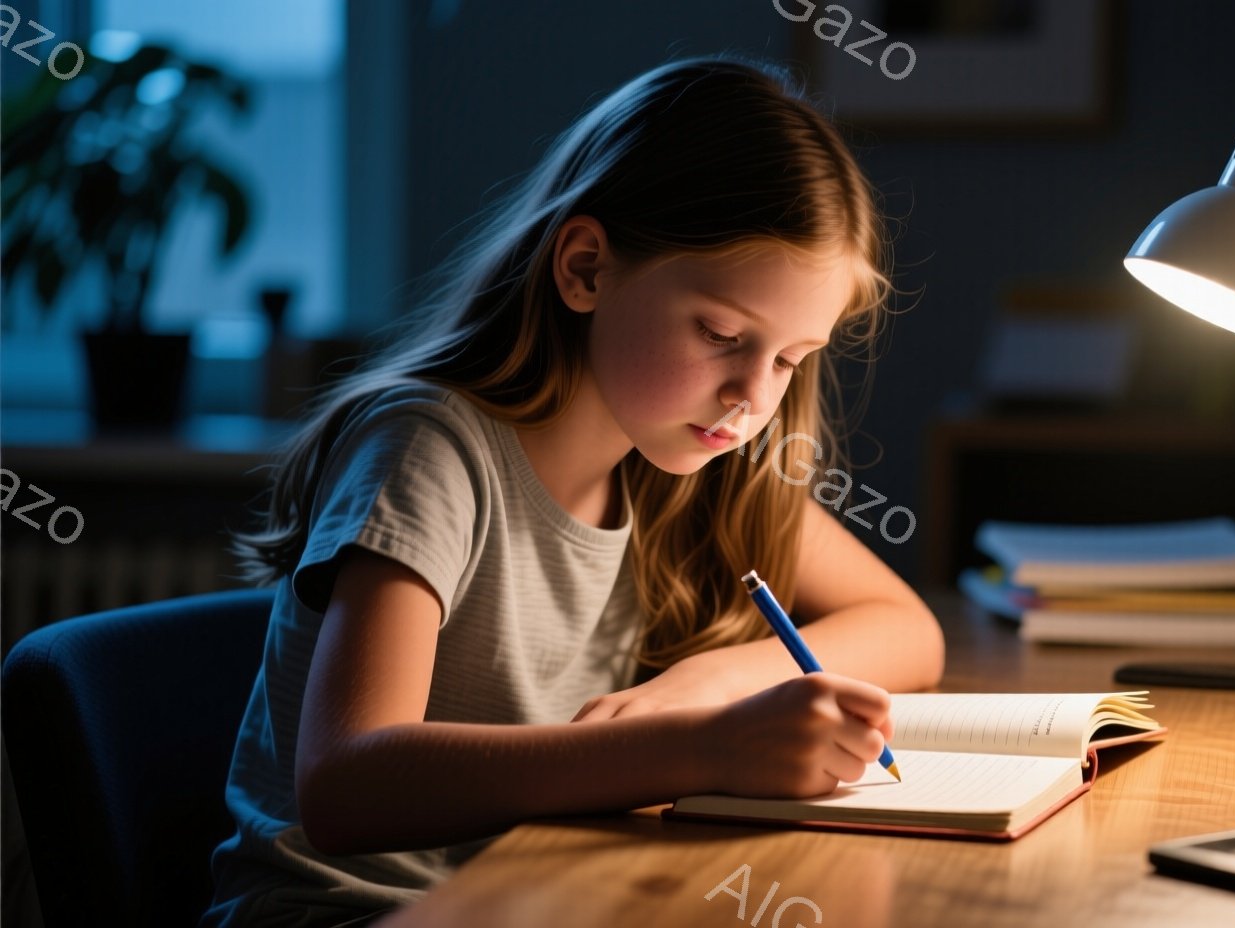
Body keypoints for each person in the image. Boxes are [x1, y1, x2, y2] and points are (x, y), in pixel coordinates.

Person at [199, 56, 944, 927]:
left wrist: (706, 687)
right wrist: (698, 749)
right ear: (586, 268)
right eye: (721, 333)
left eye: (789, 360)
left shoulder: (687, 458)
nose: (753, 397)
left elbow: (906, 629)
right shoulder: (427, 446)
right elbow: (347, 784)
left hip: (540, 895)